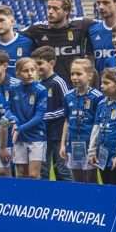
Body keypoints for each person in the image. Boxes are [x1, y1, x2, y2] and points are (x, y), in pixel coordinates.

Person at [21, 0, 95, 85]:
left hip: (75, 85)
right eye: (49, 8)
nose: (50, 12)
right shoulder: (37, 29)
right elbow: (15, 36)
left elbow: (104, 26)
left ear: (66, 11)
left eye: (55, 8)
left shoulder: (81, 25)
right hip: (49, 87)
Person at [88, 67, 116, 185]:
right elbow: (96, 128)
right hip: (102, 155)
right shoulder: (101, 104)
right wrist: (92, 151)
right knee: (106, 185)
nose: (102, 86)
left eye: (106, 83)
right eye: (101, 83)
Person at [60, 59, 103, 183]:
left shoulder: (97, 97)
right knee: (77, 180)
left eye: (79, 74)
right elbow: (67, 121)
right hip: (72, 144)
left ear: (90, 75)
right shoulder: (68, 96)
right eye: (72, 74)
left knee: (90, 180)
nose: (74, 77)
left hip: (89, 144)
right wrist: (63, 144)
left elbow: (98, 124)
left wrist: (94, 147)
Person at [3, 58, 48, 179]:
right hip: (19, 138)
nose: (29, 73)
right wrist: (13, 119)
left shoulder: (41, 90)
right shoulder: (12, 88)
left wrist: (20, 128)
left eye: (32, 70)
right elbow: (6, 109)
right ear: (17, 73)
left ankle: (35, 197)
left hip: (36, 137)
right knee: (21, 173)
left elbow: (39, 116)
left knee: (33, 175)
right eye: (25, 71)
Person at [32, 46, 71, 181]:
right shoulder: (37, 84)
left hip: (58, 134)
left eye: (40, 63)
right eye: (34, 64)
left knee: (62, 169)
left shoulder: (58, 82)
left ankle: (66, 198)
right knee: (43, 169)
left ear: (52, 63)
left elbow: (67, 108)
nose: (37, 67)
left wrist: (45, 116)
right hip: (42, 134)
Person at [89, 0, 116, 73]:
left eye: (106, 3)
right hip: (101, 86)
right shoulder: (92, 30)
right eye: (98, 3)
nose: (100, 7)